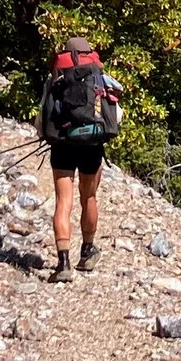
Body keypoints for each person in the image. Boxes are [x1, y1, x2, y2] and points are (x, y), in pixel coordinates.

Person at [38, 35, 122, 281]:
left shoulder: (55, 78)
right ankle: (87, 251)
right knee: (89, 197)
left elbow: (42, 119)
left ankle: (63, 263)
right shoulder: (98, 77)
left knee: (63, 202)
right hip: (92, 143)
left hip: (63, 143)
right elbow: (115, 116)